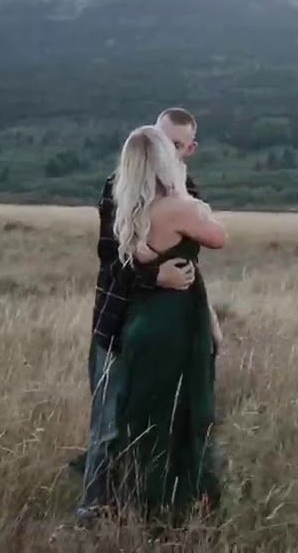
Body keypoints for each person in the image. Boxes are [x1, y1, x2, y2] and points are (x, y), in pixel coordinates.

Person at [77, 124, 227, 526]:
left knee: (162, 418)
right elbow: (112, 261)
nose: (174, 150)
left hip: (166, 323)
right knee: (112, 423)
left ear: (190, 148)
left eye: (181, 144)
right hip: (119, 319)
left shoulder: (180, 190)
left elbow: (192, 264)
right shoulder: (121, 188)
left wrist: (207, 316)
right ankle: (98, 509)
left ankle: (144, 509)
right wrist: (155, 278)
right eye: (167, 143)